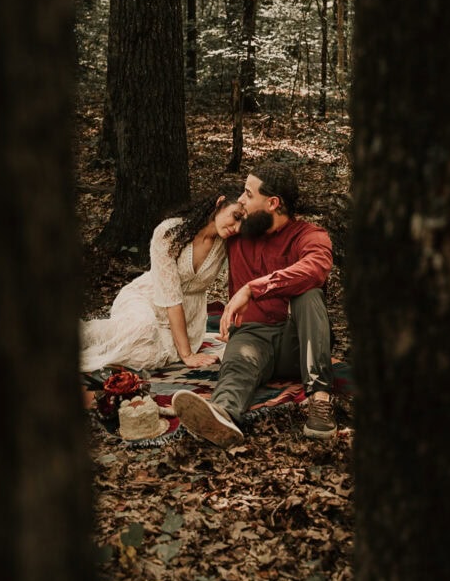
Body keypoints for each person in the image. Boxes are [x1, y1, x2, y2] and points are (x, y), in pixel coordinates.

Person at [173, 162, 337, 446]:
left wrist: (253, 288)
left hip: (295, 341)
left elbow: (316, 268)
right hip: (251, 335)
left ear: (273, 203)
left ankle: (320, 400)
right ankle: (221, 417)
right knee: (236, 366)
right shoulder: (238, 230)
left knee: (309, 294)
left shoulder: (309, 236)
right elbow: (198, 229)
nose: (241, 200)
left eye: (248, 194)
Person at [79, 191, 244, 373]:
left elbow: (239, 283)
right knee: (142, 329)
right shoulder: (170, 232)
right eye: (235, 217)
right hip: (148, 298)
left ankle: (112, 343)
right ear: (220, 203)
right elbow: (170, 297)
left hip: (189, 318)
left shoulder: (228, 242)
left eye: (243, 224)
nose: (236, 227)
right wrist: (187, 355)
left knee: (150, 357)